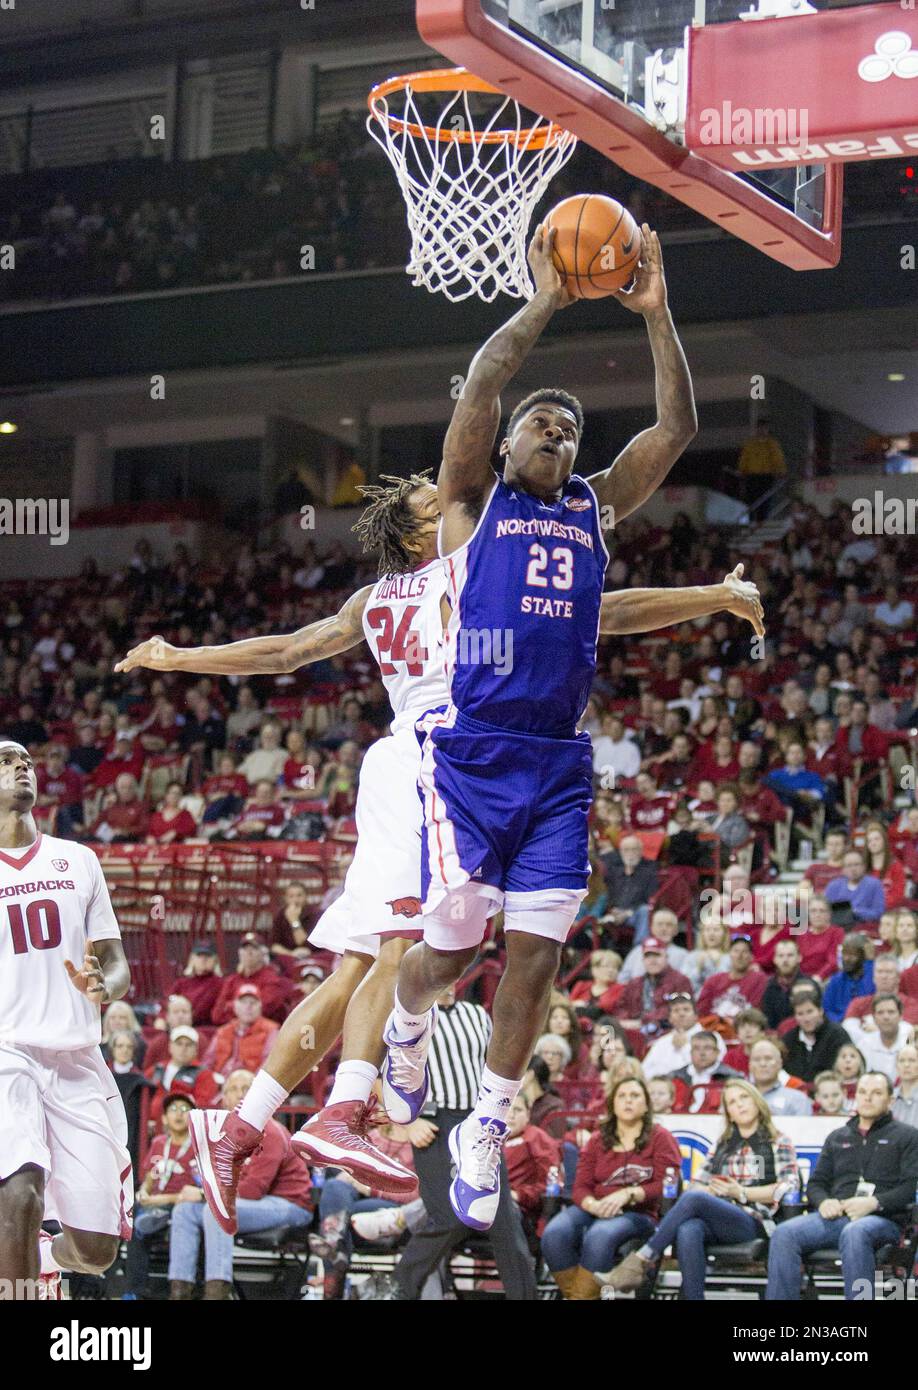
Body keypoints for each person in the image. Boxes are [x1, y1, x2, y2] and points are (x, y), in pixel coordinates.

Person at [118, 473, 451, 1214]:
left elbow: (285, 653)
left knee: (356, 968)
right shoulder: (428, 581)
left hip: (419, 770)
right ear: (409, 535)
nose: (454, 505)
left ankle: (238, 1129)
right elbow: (287, 651)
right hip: (420, 765)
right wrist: (179, 660)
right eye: (435, 507)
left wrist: (178, 656)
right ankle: (347, 1110)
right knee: (400, 947)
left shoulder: (398, 591)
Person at [0, 739, 133, 1292]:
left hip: (77, 1059)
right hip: (6, 1051)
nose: (20, 766)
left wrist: (106, 987)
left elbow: (117, 963)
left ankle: (45, 1256)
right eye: (6, 761)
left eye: (26, 760)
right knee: (19, 1189)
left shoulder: (79, 860)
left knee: (97, 1252)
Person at [392, 984, 538, 1300]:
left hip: (478, 1121)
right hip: (433, 1123)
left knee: (504, 1221)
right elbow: (384, 1074)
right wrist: (409, 1124)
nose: (448, 982)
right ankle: (400, 1289)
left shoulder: (476, 1014)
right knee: (447, 1216)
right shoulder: (411, 1017)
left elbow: (497, 1063)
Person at [598, 1078, 798, 1298]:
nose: (739, 1105)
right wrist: (711, 1191)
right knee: (688, 1228)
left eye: (744, 1098)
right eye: (732, 1102)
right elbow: (696, 1185)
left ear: (757, 1103)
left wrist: (740, 1192)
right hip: (718, 1216)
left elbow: (788, 1186)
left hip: (754, 1221)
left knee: (695, 1200)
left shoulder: (778, 1141)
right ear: (729, 1113)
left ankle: (643, 1259)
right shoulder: (722, 1145)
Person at [766, 1072, 918, 1300]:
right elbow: (816, 1183)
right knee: (784, 1233)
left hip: (884, 1219)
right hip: (836, 1215)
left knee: (855, 1231)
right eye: (863, 1092)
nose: (868, 1098)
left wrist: (873, 1203)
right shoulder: (837, 1137)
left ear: (890, 1100)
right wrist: (824, 1201)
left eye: (876, 1093)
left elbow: (908, 1189)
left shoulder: (907, 1136)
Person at [167, 1070, 312, 1300]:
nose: (239, 1094)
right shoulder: (223, 1134)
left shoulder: (270, 1130)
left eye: (246, 1089)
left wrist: (205, 1195)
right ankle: (179, 1292)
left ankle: (217, 1293)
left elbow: (253, 1190)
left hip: (290, 1205)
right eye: (232, 1089)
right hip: (250, 1203)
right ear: (223, 1099)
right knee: (184, 1211)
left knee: (215, 1211)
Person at [542, 1074, 683, 1299]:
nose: (628, 1101)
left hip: (639, 1213)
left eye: (635, 1096)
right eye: (622, 1096)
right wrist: (593, 1205)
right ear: (612, 1105)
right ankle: (580, 1296)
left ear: (646, 1105)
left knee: (599, 1235)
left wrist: (629, 1194)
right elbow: (580, 1188)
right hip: (594, 1206)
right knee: (554, 1234)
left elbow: (668, 1185)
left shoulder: (661, 1137)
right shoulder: (597, 1140)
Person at [123, 1091, 200, 1300]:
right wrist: (144, 1192)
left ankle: (134, 1291)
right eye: (173, 1109)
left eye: (185, 1109)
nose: (179, 1114)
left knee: (141, 1224)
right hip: (151, 1203)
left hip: (178, 1206)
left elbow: (195, 1195)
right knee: (128, 1216)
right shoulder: (158, 1142)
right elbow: (150, 1176)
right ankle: (131, 1290)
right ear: (164, 1118)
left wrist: (157, 1200)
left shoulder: (198, 1148)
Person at [613, 937, 694, 1040]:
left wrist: (642, 1021)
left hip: (668, 1033)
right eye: (648, 956)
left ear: (666, 957)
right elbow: (621, 1008)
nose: (652, 961)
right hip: (635, 1034)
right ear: (643, 960)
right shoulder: (635, 983)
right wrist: (623, 1021)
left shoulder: (680, 981)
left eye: (657, 955)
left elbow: (680, 1010)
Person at [504, 1092, 562, 1228]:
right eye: (506, 1110)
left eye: (517, 1110)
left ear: (528, 1115)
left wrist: (518, 1195)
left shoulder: (537, 1138)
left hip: (518, 1206)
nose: (511, 1115)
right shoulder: (490, 1137)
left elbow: (550, 1185)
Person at [211, 933, 295, 1025]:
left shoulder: (272, 980)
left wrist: (230, 1006)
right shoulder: (232, 980)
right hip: (233, 1032)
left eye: (254, 949)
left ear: (263, 954)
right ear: (239, 953)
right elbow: (217, 1015)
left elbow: (261, 1012)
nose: (249, 953)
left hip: (264, 1033)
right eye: (245, 949)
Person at [202, 986, 279, 1077]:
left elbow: (269, 1064)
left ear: (260, 1006)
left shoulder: (271, 1030)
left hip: (250, 1084)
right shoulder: (223, 1031)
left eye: (253, 1003)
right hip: (220, 1083)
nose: (248, 1007)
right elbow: (207, 1062)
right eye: (243, 1002)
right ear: (235, 1006)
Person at [783, 989, 851, 1087]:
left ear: (820, 1011)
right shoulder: (789, 1040)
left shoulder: (837, 1035)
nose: (806, 1019)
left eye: (810, 1012)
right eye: (800, 1014)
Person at [695, 934, 767, 1023]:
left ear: (751, 956)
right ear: (729, 954)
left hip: (743, 1030)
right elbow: (701, 1011)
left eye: (745, 951)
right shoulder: (713, 980)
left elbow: (756, 1012)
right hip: (714, 1030)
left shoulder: (758, 979)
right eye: (736, 951)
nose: (740, 956)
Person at [670, 1032, 743, 1114]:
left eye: (707, 1048)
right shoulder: (675, 1077)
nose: (702, 1053)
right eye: (696, 1048)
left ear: (717, 1052)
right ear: (690, 1052)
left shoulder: (732, 1078)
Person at [850, 995, 914, 1083]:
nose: (886, 1017)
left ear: (900, 1016)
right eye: (880, 1012)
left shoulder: (911, 1042)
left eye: (891, 1012)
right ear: (874, 1018)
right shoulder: (864, 1044)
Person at [617, 908, 690, 983]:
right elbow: (622, 980)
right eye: (659, 924)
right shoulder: (637, 952)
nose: (663, 928)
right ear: (652, 928)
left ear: (676, 930)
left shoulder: (684, 955)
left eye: (669, 925)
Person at [642, 993, 703, 1079]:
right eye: (676, 1010)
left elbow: (706, 1071)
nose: (681, 1014)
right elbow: (644, 1071)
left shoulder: (711, 1038)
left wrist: (684, 1047)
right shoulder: (661, 1043)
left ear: (696, 1016)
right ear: (670, 1018)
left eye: (686, 1010)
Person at [746, 1039, 813, 1117]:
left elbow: (804, 1128)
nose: (763, 1064)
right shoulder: (739, 1099)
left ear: (780, 1063)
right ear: (749, 1065)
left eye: (768, 1058)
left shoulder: (798, 1099)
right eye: (757, 1059)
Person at [761, 940, 817, 1030]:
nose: (785, 960)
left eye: (790, 955)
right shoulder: (768, 986)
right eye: (781, 956)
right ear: (775, 959)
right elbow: (766, 1020)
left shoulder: (810, 985)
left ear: (799, 957)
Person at [824, 849, 885, 927]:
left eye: (856, 864)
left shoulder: (875, 884)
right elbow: (826, 912)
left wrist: (855, 912)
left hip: (866, 929)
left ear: (863, 866)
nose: (853, 869)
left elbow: (879, 913)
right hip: (838, 929)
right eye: (849, 865)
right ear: (843, 869)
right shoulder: (833, 886)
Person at [822, 934, 875, 1022]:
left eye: (852, 955)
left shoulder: (872, 977)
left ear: (863, 957)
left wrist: (869, 962)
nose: (846, 958)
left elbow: (868, 995)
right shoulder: (835, 980)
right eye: (844, 953)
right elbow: (827, 1011)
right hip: (838, 1027)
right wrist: (843, 1021)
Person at [892, 1043, 918, 1127]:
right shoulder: (889, 1096)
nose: (906, 1065)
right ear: (896, 1066)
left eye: (912, 1060)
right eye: (902, 1060)